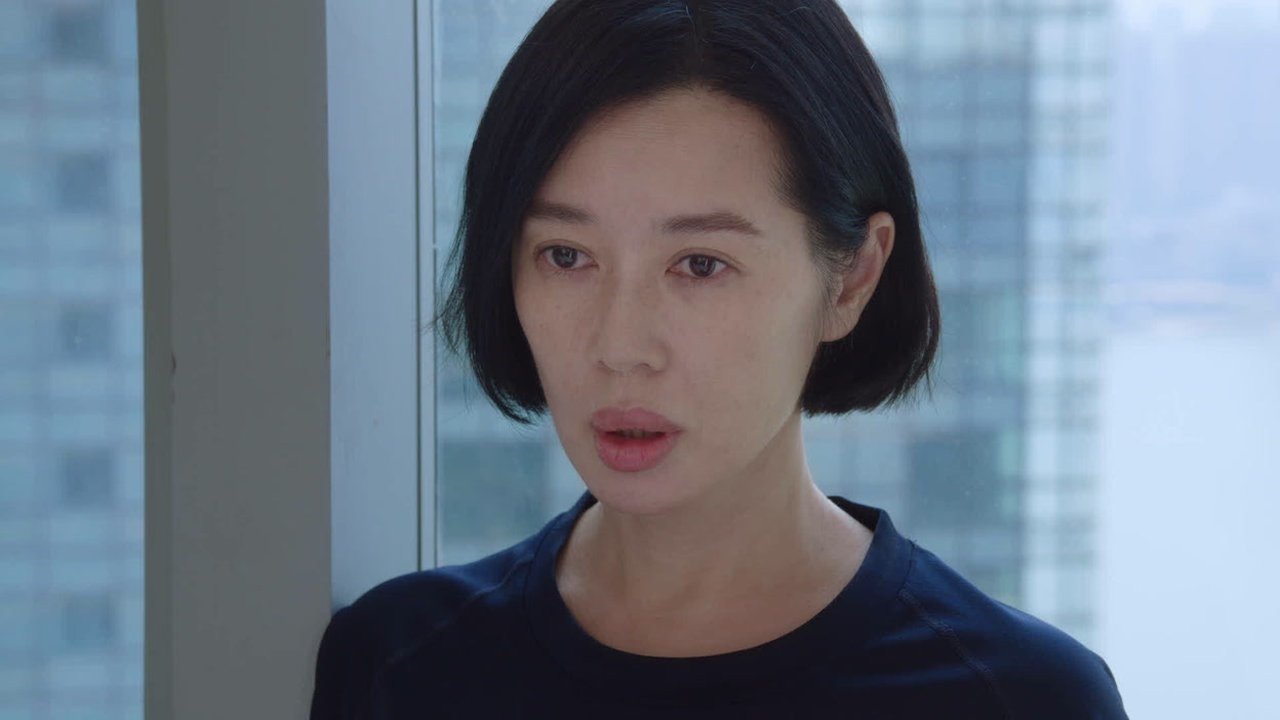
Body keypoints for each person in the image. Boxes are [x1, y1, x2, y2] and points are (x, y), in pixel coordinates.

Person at [310, 0, 1128, 717]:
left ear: (852, 277)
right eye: (566, 255)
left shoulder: (1022, 699)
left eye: (700, 264)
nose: (620, 348)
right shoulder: (398, 665)